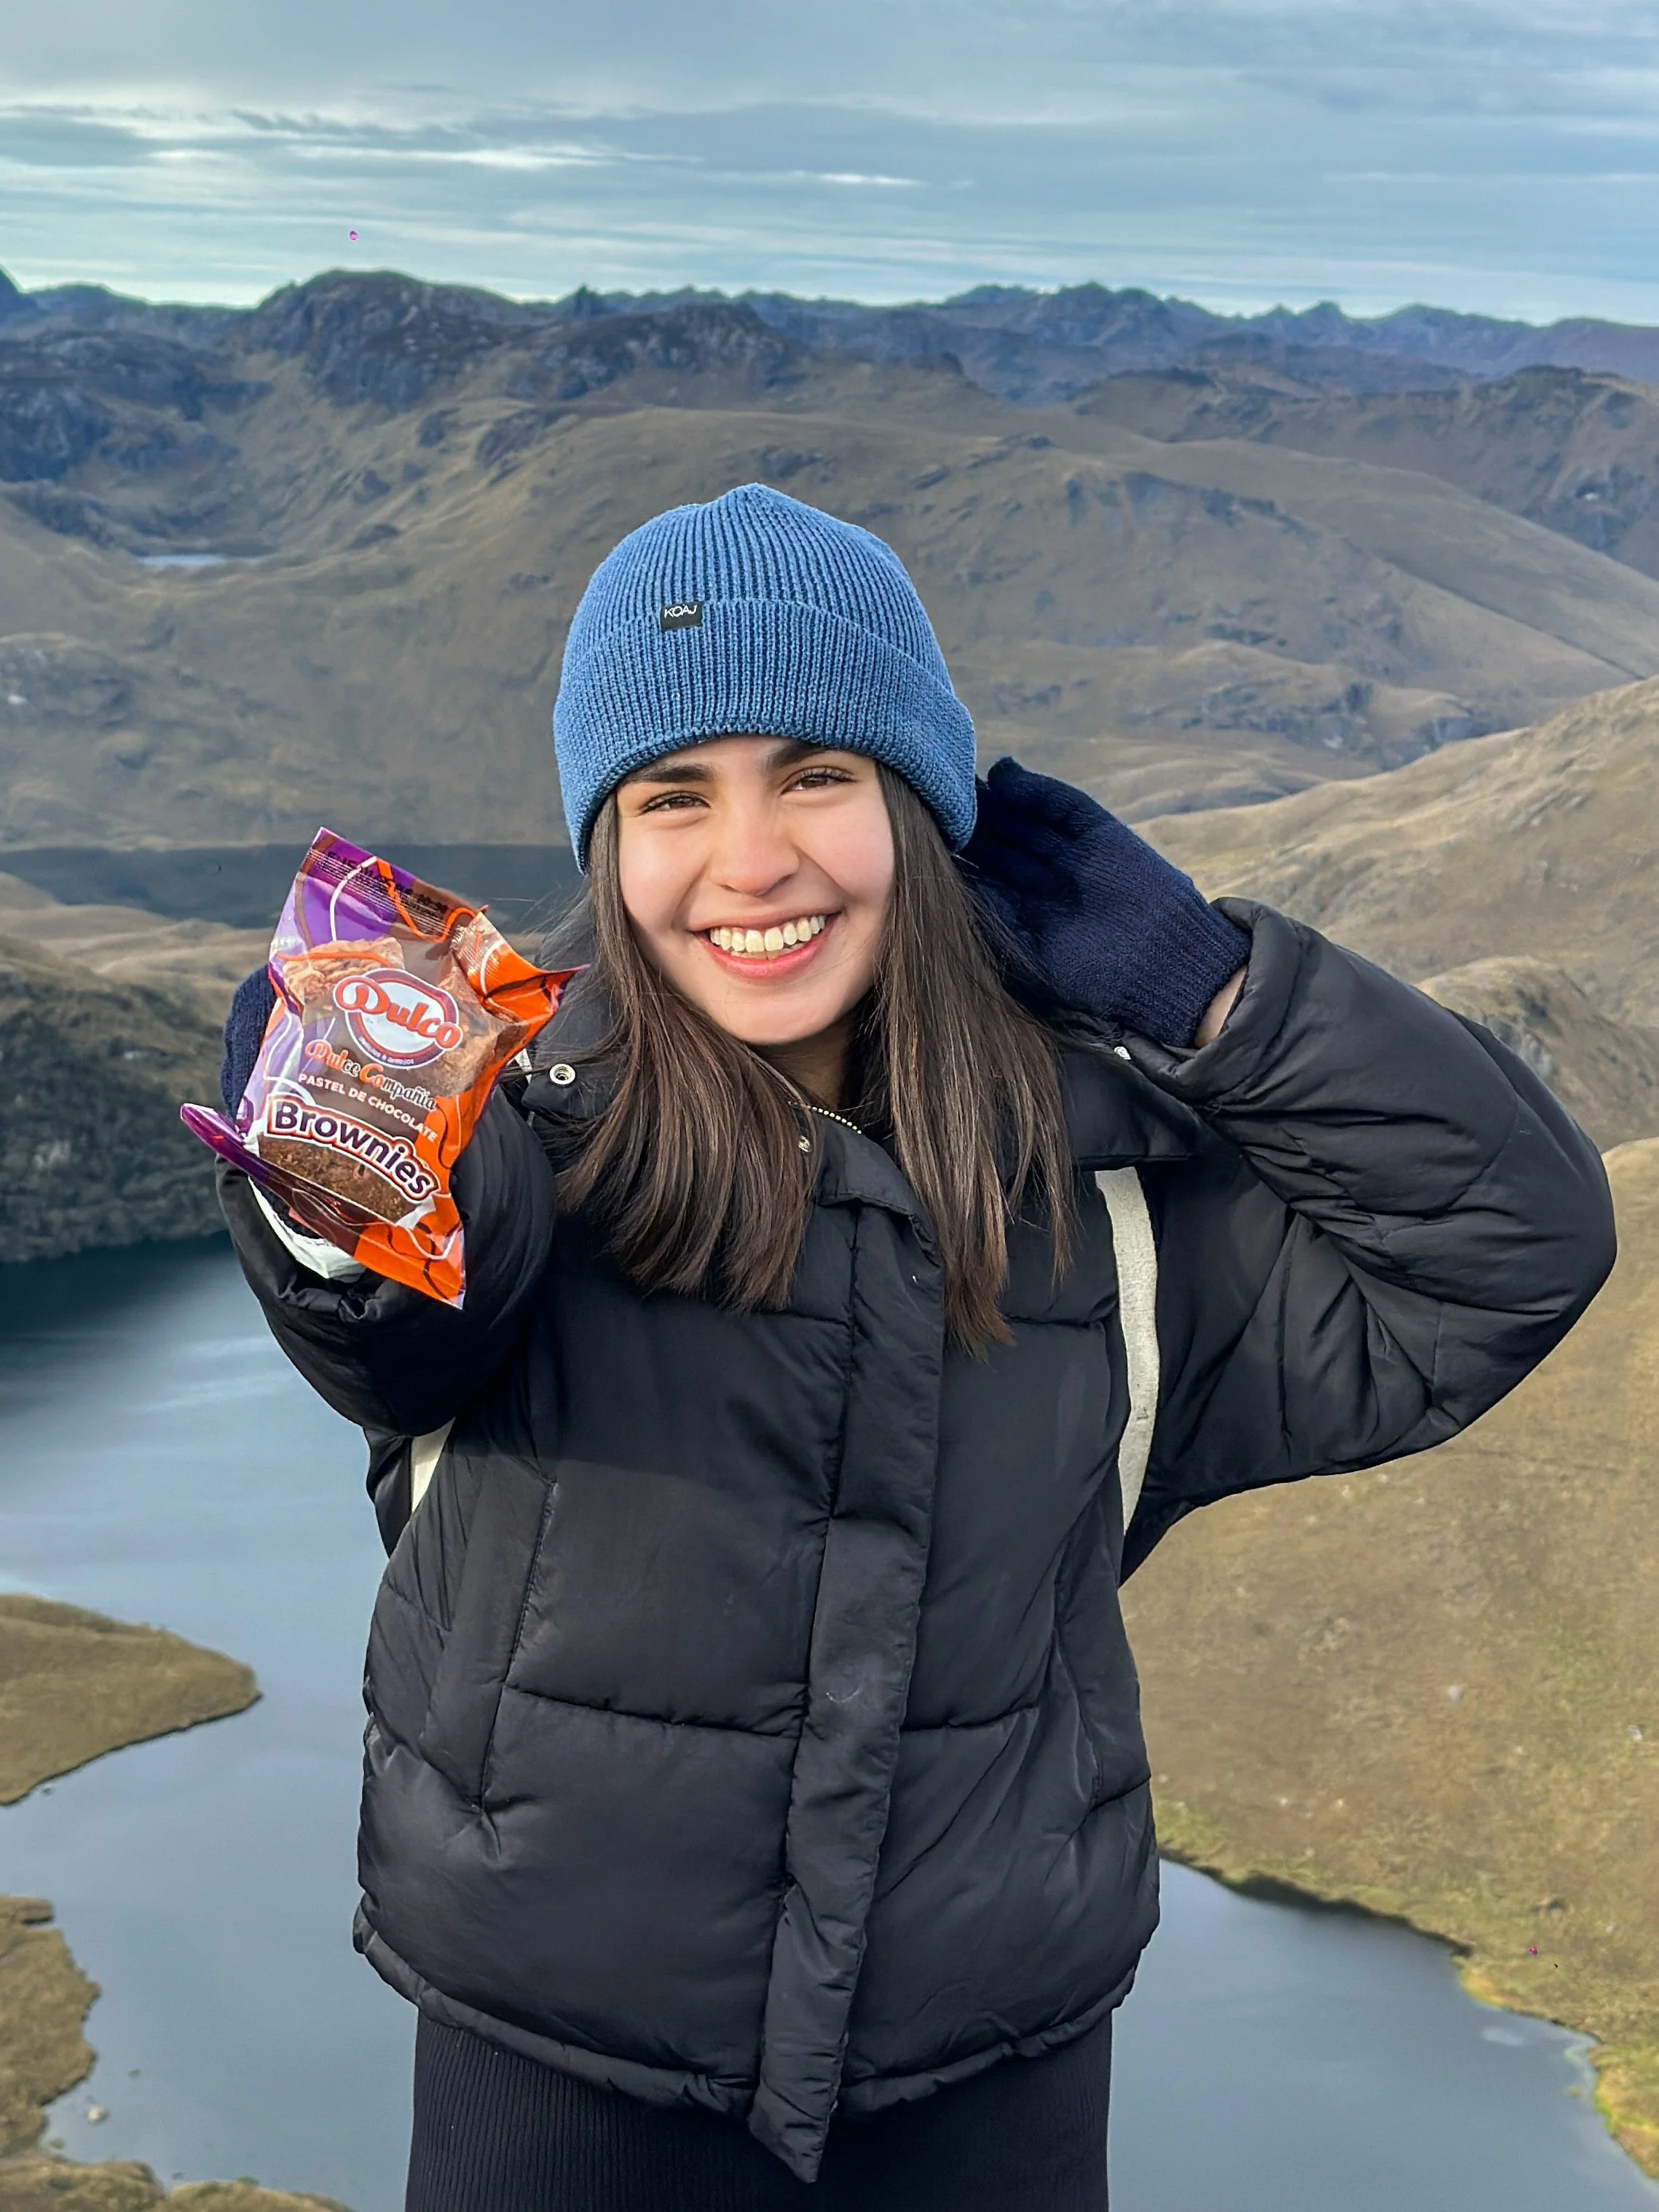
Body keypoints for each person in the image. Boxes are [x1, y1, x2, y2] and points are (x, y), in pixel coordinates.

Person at [218, 484, 1615, 2212]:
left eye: (816, 773)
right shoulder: (514, 1135)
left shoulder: (1098, 1197)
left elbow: (1508, 1252)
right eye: (673, 797)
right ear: (608, 845)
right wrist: (322, 1186)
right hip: (559, 2076)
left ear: (919, 808)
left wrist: (1208, 996)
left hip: (988, 2077)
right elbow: (385, 1342)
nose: (750, 863)